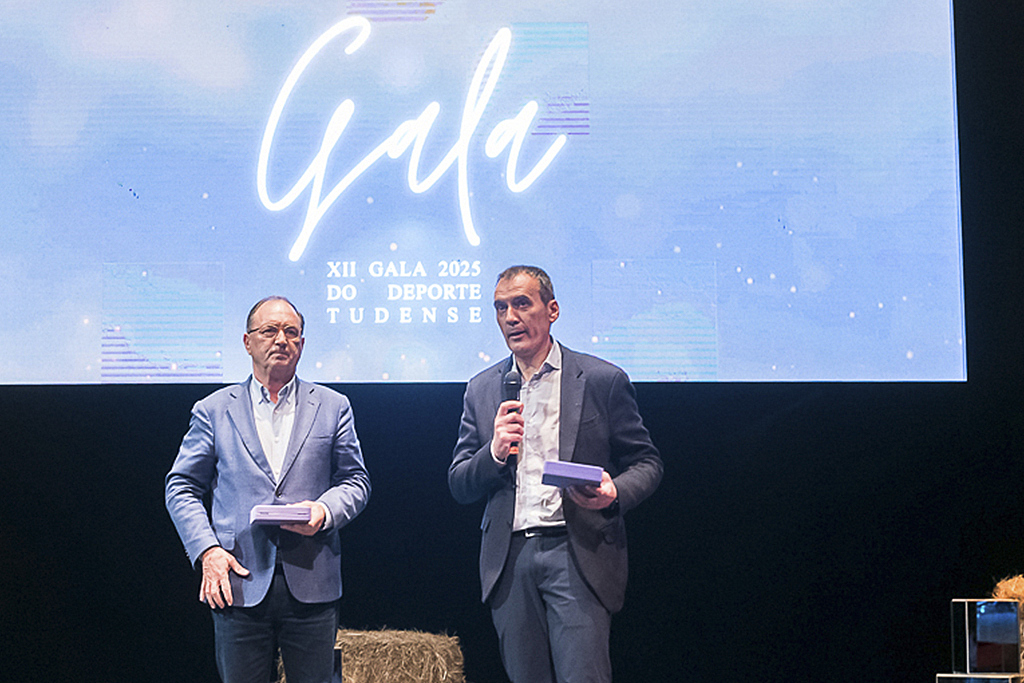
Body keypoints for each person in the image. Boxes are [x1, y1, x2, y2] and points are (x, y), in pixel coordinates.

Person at [449, 266, 663, 683]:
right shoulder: (482, 388)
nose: (510, 317)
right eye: (500, 308)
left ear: (552, 310)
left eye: (521, 304)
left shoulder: (601, 380)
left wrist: (614, 491)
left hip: (577, 550)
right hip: (509, 559)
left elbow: (647, 462)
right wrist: (494, 453)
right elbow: (459, 481)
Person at [166, 296, 370, 683]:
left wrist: (324, 511)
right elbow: (181, 485)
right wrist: (208, 550)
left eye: (291, 332)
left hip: (313, 581)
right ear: (247, 342)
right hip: (238, 581)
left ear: (302, 344)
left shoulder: (333, 406)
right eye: (269, 331)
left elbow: (356, 481)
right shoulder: (213, 409)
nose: (281, 339)